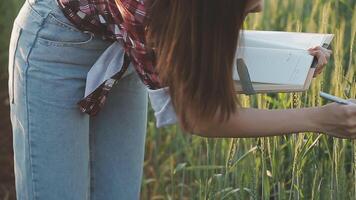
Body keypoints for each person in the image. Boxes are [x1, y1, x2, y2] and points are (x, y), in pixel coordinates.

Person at [7, 0, 356, 200]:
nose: (262, 6)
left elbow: (198, 42)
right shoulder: (146, 7)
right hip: (58, 48)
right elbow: (200, 114)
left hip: (124, 48)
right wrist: (318, 119)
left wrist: (296, 63)